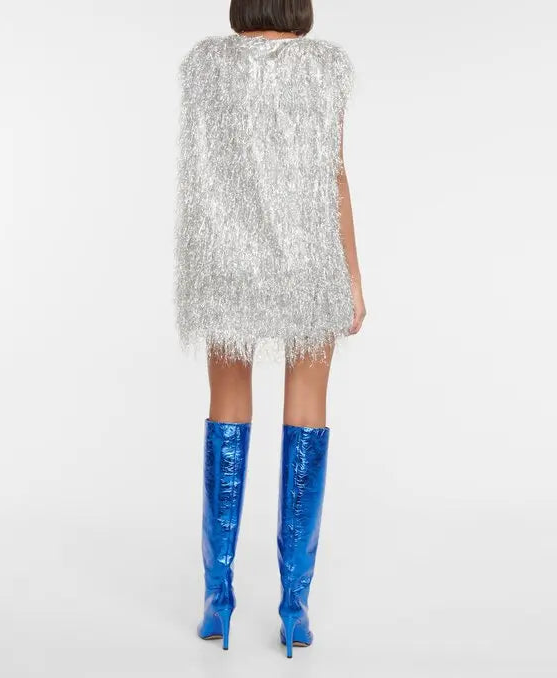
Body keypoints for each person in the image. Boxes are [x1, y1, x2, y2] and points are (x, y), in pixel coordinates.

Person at [173, 0, 366, 658]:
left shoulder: (205, 66)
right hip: (308, 261)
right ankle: (294, 606)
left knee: (227, 404)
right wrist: (354, 279)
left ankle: (217, 599)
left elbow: (203, 175)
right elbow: (333, 175)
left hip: (224, 261)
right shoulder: (326, 67)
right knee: (307, 407)